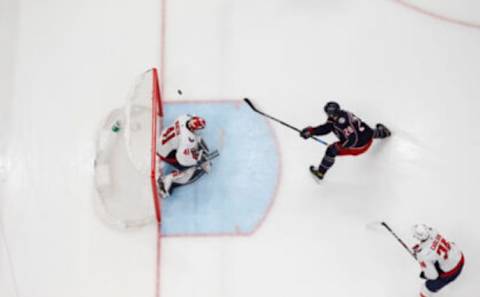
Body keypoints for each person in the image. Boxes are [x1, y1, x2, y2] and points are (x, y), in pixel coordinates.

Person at [300, 101, 391, 180]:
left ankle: (320, 173)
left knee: (331, 151)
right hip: (368, 137)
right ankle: (383, 132)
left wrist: (339, 147)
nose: (328, 116)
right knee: (366, 131)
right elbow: (327, 127)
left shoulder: (341, 123)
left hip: (359, 147)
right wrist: (312, 131)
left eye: (328, 113)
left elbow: (353, 139)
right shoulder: (341, 115)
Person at [156, 114, 213, 198]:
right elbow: (182, 160)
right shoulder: (187, 139)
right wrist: (197, 161)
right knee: (191, 172)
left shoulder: (183, 118)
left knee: (191, 143)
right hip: (165, 154)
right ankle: (166, 182)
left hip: (161, 142)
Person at [411, 224, 465, 297]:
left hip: (452, 272)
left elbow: (433, 276)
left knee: (425, 290)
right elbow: (432, 246)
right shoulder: (434, 231)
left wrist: (425, 274)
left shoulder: (422, 254)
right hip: (460, 257)